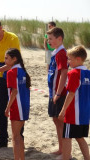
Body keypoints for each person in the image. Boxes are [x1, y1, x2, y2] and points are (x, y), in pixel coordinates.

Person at [0, 18, 21, 149]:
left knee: (15, 107)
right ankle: (3, 139)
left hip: (15, 71)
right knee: (0, 108)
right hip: (1, 73)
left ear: (1, 28)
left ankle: (19, 138)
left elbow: (13, 62)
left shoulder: (13, 38)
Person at [58, 45, 90, 160]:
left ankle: (65, 158)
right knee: (80, 137)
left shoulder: (74, 73)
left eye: (70, 59)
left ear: (78, 59)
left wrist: (62, 111)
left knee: (67, 137)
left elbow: (71, 94)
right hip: (85, 112)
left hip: (73, 113)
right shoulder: (88, 73)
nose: (68, 61)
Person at [4, 49, 31, 160]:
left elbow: (14, 91)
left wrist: (7, 107)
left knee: (15, 137)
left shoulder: (11, 72)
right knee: (18, 135)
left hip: (17, 106)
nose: (4, 60)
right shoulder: (23, 71)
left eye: (6, 58)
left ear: (14, 59)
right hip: (25, 105)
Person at [47, 27, 68, 155]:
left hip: (58, 93)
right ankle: (61, 149)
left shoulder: (61, 53)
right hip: (52, 92)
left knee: (61, 122)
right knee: (55, 120)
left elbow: (64, 72)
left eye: (51, 39)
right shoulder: (55, 52)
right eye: (48, 39)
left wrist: (58, 93)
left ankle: (65, 151)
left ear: (59, 39)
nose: (48, 41)